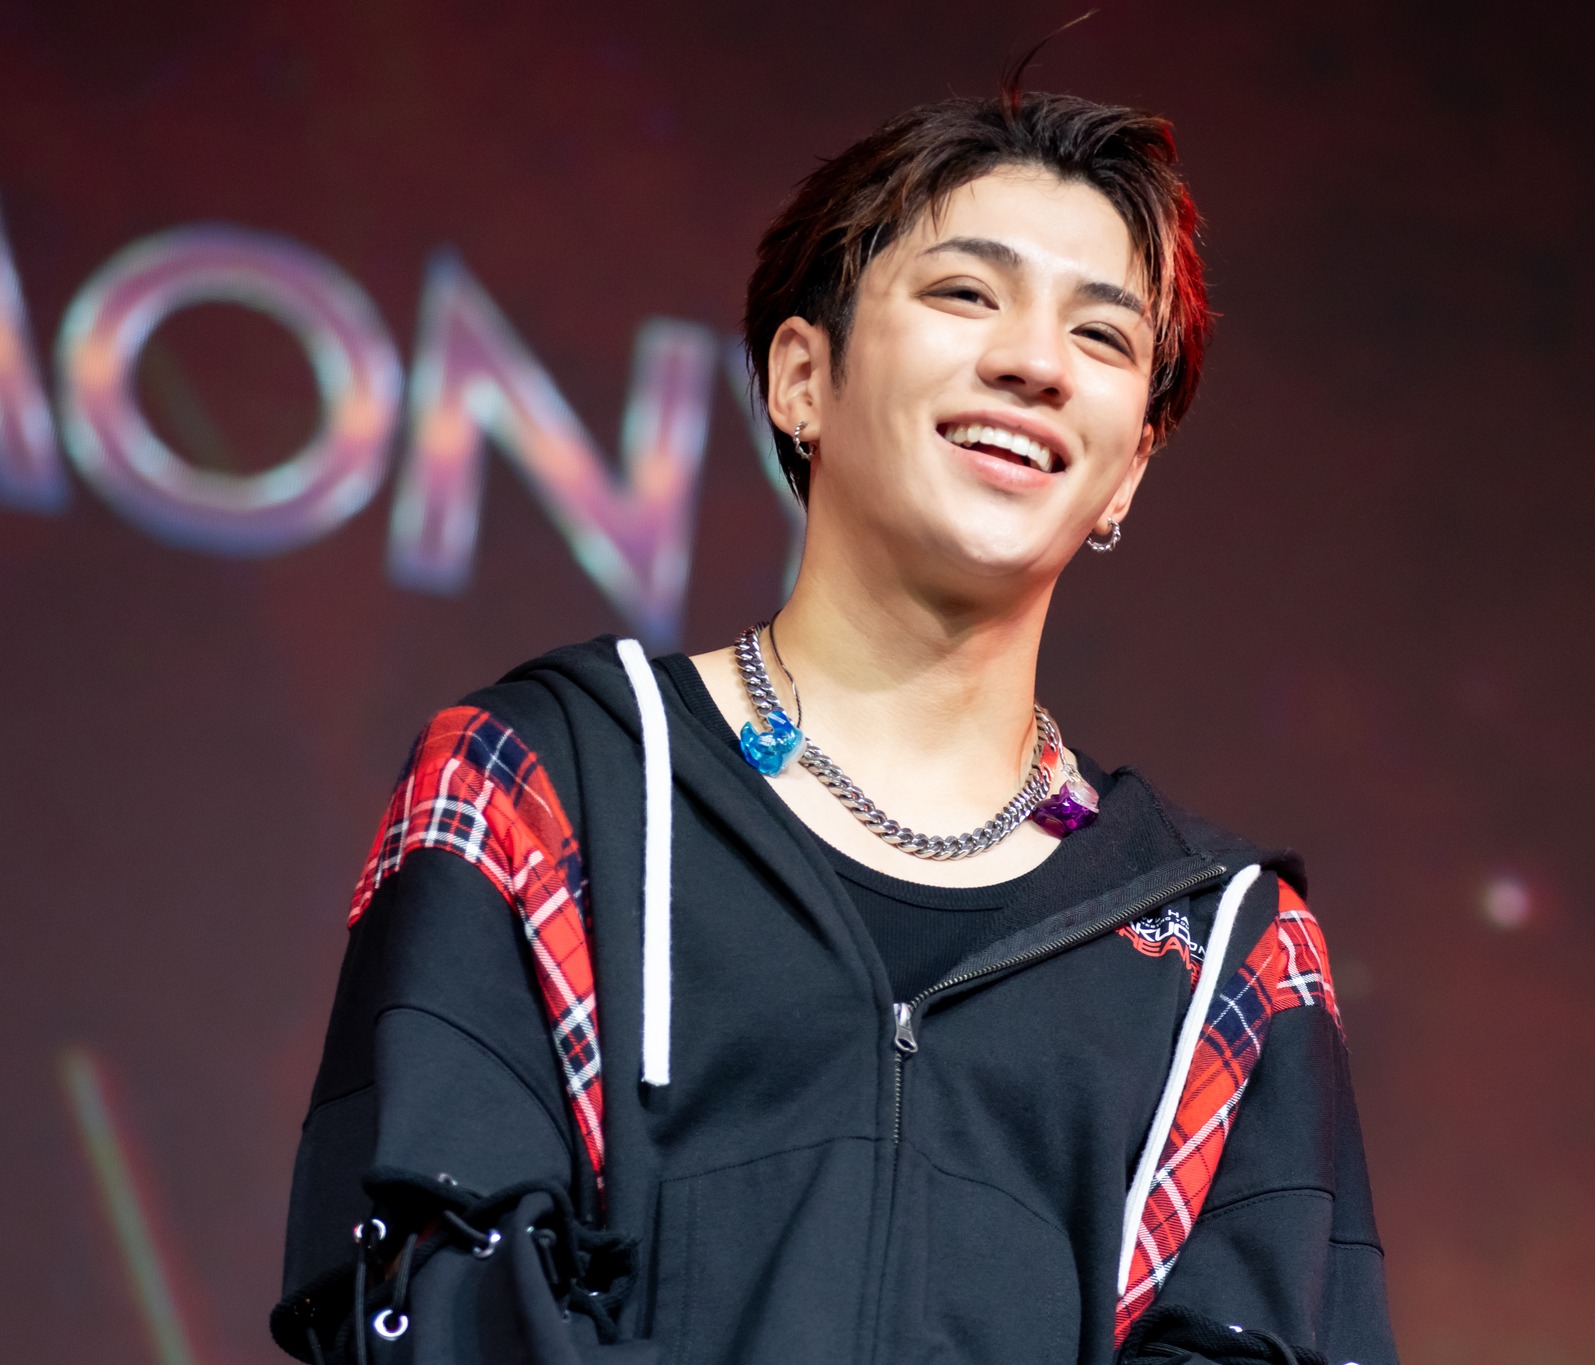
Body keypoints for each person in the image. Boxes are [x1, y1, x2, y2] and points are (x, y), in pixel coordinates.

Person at [274, 85, 1399, 1365]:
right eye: (966, 293)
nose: (1034, 364)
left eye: (1099, 335)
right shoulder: (538, 791)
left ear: (1126, 471)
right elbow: (437, 1302)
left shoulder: (1230, 959)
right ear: (800, 379)